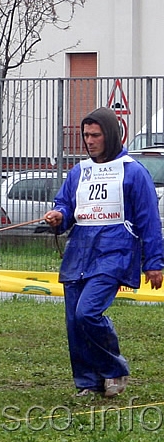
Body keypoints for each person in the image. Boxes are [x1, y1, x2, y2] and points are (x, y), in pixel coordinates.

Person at [44, 106, 163, 398]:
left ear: (110, 135)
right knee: (74, 320)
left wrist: (155, 262)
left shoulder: (133, 172)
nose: (89, 140)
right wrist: (58, 216)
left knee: (87, 313)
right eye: (86, 135)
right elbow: (66, 206)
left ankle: (114, 369)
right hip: (79, 253)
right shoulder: (78, 172)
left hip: (115, 252)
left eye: (95, 135)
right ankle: (87, 381)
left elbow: (149, 219)